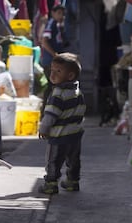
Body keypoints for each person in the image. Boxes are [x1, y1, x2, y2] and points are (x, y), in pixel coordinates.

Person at [38, 52, 86, 194]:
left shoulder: (58, 94)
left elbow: (50, 115)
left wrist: (43, 129)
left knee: (53, 160)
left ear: (70, 76)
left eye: (58, 71)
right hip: (75, 135)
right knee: (73, 160)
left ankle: (51, 184)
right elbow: (81, 111)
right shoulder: (78, 93)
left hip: (59, 136)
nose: (52, 74)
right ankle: (72, 181)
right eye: (52, 70)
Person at [39, 4, 69, 118]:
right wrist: (55, 55)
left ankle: (51, 111)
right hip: (50, 62)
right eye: (59, 13)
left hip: (55, 62)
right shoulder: (51, 23)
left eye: (63, 14)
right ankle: (46, 112)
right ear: (53, 13)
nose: (61, 16)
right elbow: (44, 42)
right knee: (53, 86)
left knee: (55, 86)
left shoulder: (58, 25)